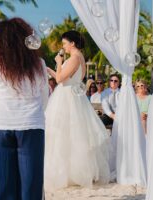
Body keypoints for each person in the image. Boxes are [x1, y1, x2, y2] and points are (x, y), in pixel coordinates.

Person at [0, 18, 48, 200]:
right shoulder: (39, 64)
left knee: (2, 182)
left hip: (0, 124)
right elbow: (44, 97)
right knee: (31, 183)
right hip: (31, 125)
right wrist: (33, 113)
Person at [45, 31, 110, 190]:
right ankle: (68, 172)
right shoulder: (77, 57)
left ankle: (72, 173)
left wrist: (59, 62)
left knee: (69, 134)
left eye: (65, 43)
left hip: (68, 98)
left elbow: (60, 80)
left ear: (72, 43)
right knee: (67, 134)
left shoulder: (74, 58)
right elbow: (63, 79)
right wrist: (47, 69)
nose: (63, 47)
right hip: (70, 93)